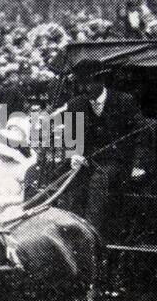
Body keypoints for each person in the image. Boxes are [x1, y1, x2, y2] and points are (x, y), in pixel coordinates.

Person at [62, 66, 148, 235]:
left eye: (87, 83)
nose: (82, 88)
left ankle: (90, 233)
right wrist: (74, 156)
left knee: (99, 180)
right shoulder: (76, 104)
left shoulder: (124, 101)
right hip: (86, 162)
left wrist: (138, 165)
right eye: (80, 84)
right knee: (71, 180)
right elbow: (71, 137)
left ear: (100, 82)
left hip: (118, 162)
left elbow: (142, 135)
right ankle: (69, 230)